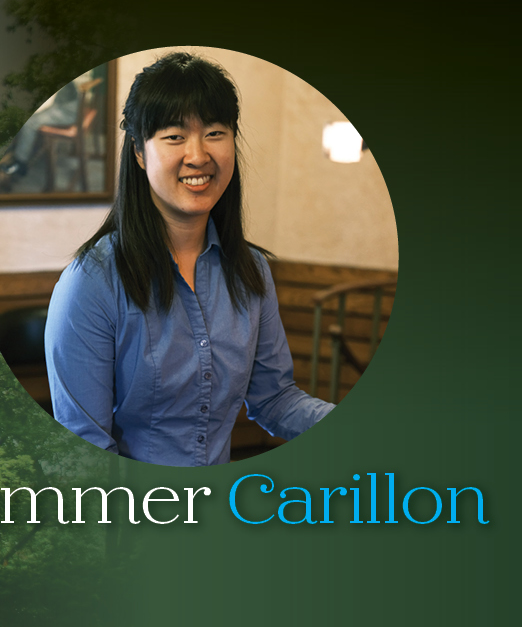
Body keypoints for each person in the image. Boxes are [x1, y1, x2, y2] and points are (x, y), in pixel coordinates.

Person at [44, 52, 333, 466]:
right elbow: (83, 451)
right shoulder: (93, 281)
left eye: (215, 132)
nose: (198, 156)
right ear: (140, 153)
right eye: (175, 136)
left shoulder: (251, 271)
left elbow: (276, 400)